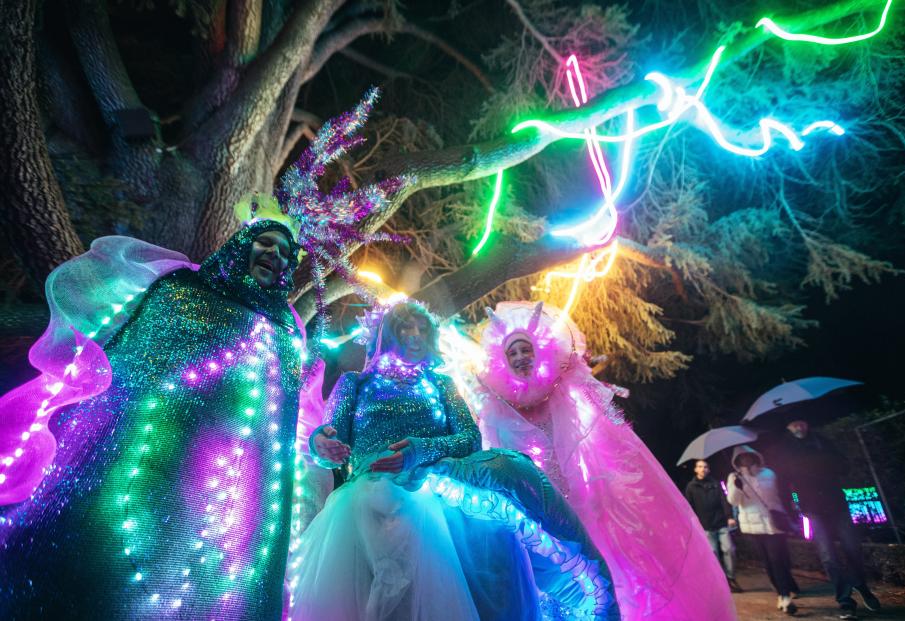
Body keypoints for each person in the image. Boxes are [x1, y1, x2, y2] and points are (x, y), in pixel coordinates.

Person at [0, 220, 311, 619]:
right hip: (135, 455)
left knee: (178, 581)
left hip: (213, 484)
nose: (275, 254)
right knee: (99, 565)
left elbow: (274, 433)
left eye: (285, 253)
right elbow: (132, 360)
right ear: (240, 246)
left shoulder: (285, 333)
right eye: (265, 243)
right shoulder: (182, 288)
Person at [291, 301, 620, 621]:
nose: (416, 334)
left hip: (437, 497)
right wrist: (322, 443)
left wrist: (420, 450)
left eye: (423, 327)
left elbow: (469, 439)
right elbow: (330, 438)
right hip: (363, 508)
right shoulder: (356, 384)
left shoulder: (440, 385)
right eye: (406, 325)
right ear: (385, 334)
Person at [471, 301, 737, 621]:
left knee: (605, 572)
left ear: (539, 351)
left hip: (587, 507)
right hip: (539, 512)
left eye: (524, 350)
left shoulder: (564, 391)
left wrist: (583, 378)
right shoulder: (501, 408)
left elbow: (607, 427)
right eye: (511, 353)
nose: (519, 358)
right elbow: (496, 455)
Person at [773, 420, 880, 620]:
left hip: (836, 503)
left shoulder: (822, 441)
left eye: (802, 422)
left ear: (807, 423)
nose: (799, 427)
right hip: (812, 508)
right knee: (828, 555)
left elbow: (844, 466)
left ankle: (860, 585)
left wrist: (828, 461)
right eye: (793, 424)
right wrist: (791, 511)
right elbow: (783, 485)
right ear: (787, 427)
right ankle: (845, 599)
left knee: (852, 548)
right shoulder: (785, 451)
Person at [726, 445, 798, 615]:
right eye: (741, 457)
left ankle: (785, 593)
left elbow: (780, 495)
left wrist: (788, 513)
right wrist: (737, 487)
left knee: (778, 559)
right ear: (737, 460)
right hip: (753, 525)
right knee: (768, 562)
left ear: (754, 456)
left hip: (774, 522)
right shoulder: (734, 477)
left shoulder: (769, 473)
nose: (745, 459)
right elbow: (733, 502)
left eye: (748, 455)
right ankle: (782, 593)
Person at [684, 459, 742, 593]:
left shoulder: (716, 484)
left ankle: (731, 577)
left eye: (705, 467)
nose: (703, 469)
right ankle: (719, 580)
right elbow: (689, 506)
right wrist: (693, 522)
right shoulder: (691, 487)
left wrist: (729, 517)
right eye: (699, 466)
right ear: (695, 469)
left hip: (721, 523)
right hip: (705, 526)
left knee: (729, 550)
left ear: (708, 469)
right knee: (713, 553)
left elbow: (724, 501)